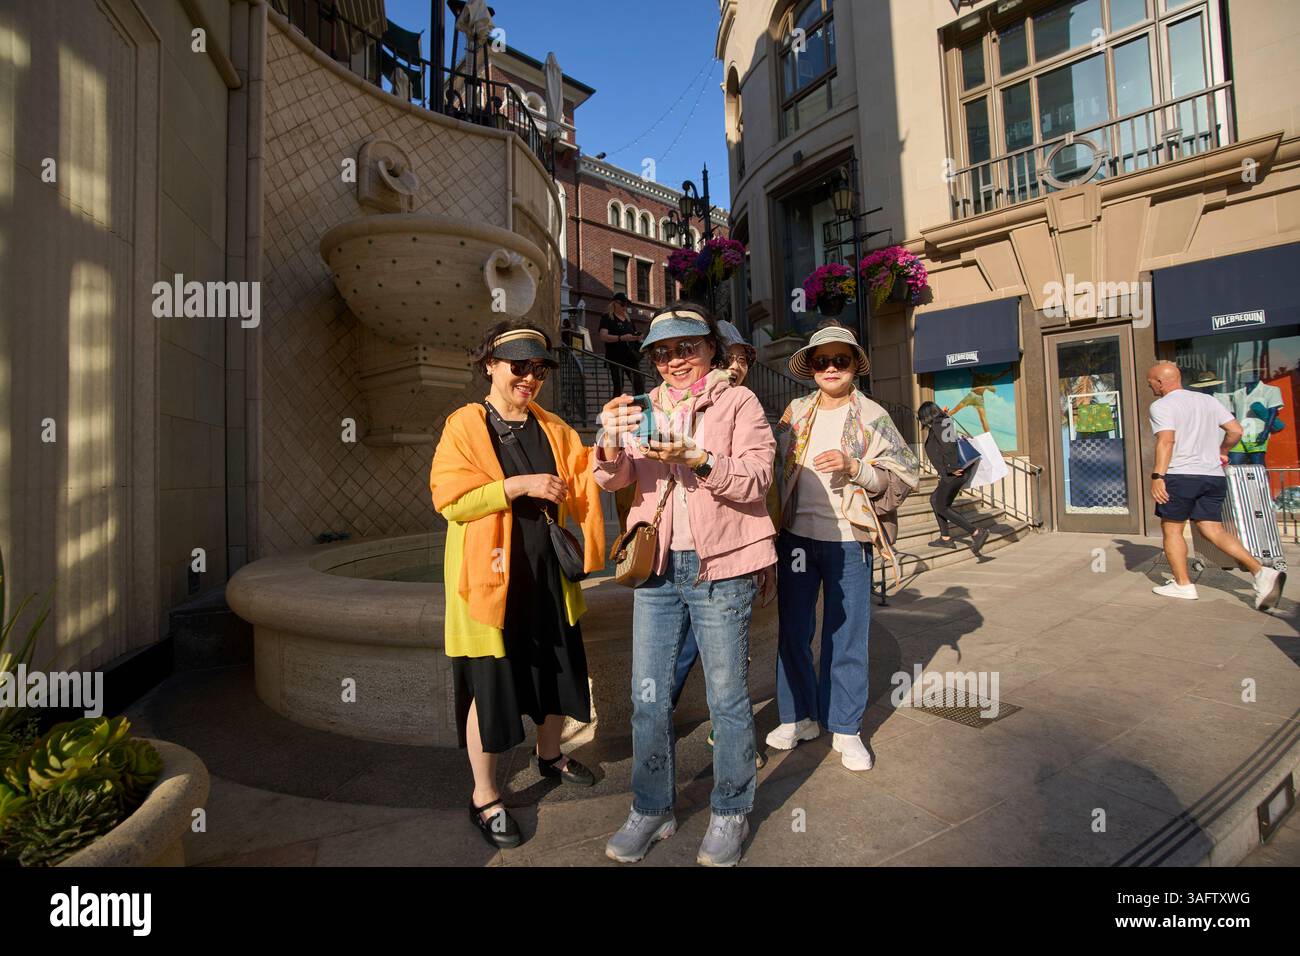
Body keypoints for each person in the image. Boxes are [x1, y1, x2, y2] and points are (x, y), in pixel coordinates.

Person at [594, 303, 776, 867]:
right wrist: (606, 437)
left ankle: (730, 811)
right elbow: (612, 477)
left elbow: (757, 480)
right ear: (653, 359)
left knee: (726, 698)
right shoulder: (642, 407)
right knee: (647, 696)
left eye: (688, 347)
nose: (676, 360)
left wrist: (699, 458)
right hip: (656, 570)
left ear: (710, 350)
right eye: (665, 351)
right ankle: (651, 808)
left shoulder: (739, 401)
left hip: (720, 566)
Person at [429, 321, 606, 850]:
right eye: (518, 366)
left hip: (547, 577)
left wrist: (614, 447)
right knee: (491, 689)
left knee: (555, 673)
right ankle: (484, 796)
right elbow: (450, 499)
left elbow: (586, 484)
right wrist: (516, 485)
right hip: (489, 586)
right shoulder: (465, 424)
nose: (530, 377)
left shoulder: (554, 427)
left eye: (539, 369)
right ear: (490, 366)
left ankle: (548, 755)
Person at [770, 326, 920, 771]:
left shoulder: (873, 415)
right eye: (822, 361)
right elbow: (771, 464)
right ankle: (797, 717)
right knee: (793, 632)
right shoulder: (795, 412)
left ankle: (846, 726)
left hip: (848, 540)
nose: (831, 368)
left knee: (847, 634)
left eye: (841, 360)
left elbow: (902, 476)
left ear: (855, 365)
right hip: (796, 537)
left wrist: (856, 467)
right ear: (812, 368)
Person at [668, 321, 774, 771]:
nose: (739, 366)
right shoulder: (677, 404)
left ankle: (727, 737)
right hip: (683, 556)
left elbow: (763, 481)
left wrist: (763, 546)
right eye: (734, 356)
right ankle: (660, 718)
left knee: (726, 661)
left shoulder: (744, 404)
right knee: (683, 654)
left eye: (745, 359)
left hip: (732, 555)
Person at [1146, 361, 1285, 609]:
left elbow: (1166, 442)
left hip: (1181, 476)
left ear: (1161, 382)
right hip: (1212, 476)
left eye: (1151, 382)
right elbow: (1236, 430)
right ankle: (1261, 572)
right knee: (1213, 529)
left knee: (1172, 530)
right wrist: (1222, 451)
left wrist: (1158, 477)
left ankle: (1183, 585)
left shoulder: (1162, 405)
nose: (1150, 386)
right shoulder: (1208, 401)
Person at [917, 400, 988, 555]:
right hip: (952, 472)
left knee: (941, 505)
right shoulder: (942, 421)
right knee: (935, 500)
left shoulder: (939, 423)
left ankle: (976, 532)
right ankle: (946, 538)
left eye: (922, 417)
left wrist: (952, 468)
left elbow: (948, 446)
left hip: (954, 472)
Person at [598, 292, 645, 395]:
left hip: (630, 357)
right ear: (614, 303)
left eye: (626, 304)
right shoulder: (607, 318)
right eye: (622, 304)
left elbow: (632, 335)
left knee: (639, 384)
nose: (625, 307)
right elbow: (603, 336)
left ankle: (640, 407)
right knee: (618, 387)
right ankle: (616, 409)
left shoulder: (628, 320)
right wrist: (621, 338)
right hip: (615, 358)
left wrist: (637, 337)